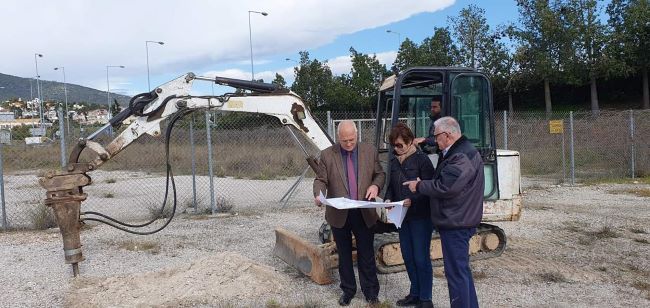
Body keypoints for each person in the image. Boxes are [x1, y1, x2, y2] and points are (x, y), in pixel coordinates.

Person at [404, 116, 483, 308]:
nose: (435, 140)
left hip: (456, 221)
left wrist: (419, 185)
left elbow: (447, 186)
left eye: (437, 136)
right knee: (461, 272)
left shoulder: (460, 156)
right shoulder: (458, 151)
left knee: (456, 274)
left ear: (447, 135)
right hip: (458, 219)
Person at [313, 120, 385, 306]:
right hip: (339, 213)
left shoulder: (370, 151)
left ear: (357, 135)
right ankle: (348, 291)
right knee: (344, 255)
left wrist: (376, 186)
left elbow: (380, 174)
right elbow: (320, 179)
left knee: (366, 254)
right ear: (339, 138)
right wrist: (318, 195)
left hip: (363, 211)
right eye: (344, 141)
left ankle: (370, 293)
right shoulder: (328, 155)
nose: (348, 144)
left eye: (351, 139)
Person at [383, 123, 435, 308]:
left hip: (420, 216)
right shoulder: (394, 161)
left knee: (421, 257)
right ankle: (415, 293)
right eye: (394, 146)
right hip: (402, 216)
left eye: (400, 145)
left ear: (411, 142)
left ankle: (426, 298)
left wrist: (413, 200)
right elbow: (391, 185)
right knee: (408, 256)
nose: (396, 149)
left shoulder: (423, 161)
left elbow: (430, 187)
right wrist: (388, 199)